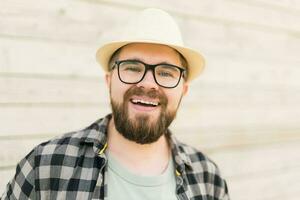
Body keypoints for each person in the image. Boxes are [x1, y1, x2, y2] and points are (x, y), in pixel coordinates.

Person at [1, 8, 229, 200]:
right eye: (132, 67)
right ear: (109, 81)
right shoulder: (46, 166)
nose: (148, 83)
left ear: (183, 90)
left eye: (166, 72)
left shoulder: (208, 178)